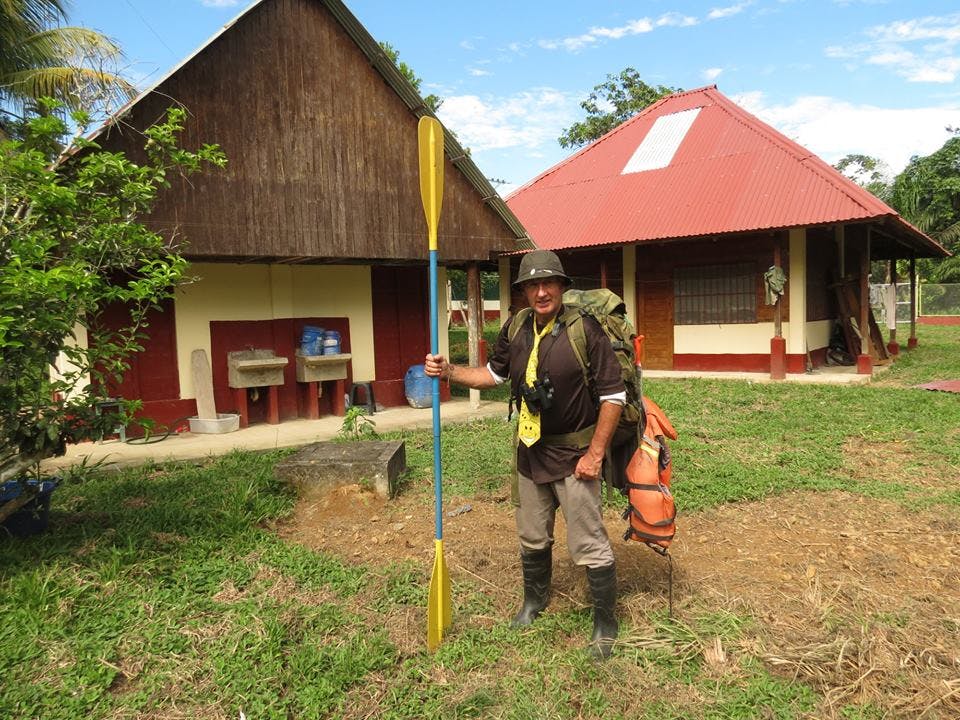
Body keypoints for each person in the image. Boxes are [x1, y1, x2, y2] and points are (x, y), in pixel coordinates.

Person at [424, 249, 625, 659]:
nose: (540, 291)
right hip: (530, 453)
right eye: (532, 284)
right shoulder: (516, 327)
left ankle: (606, 624)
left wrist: (595, 454)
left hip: (575, 455)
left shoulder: (584, 329)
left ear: (562, 287)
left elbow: (614, 395)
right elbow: (493, 375)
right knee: (532, 534)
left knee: (588, 542)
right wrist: (449, 372)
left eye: (548, 282)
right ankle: (534, 602)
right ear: (523, 292)